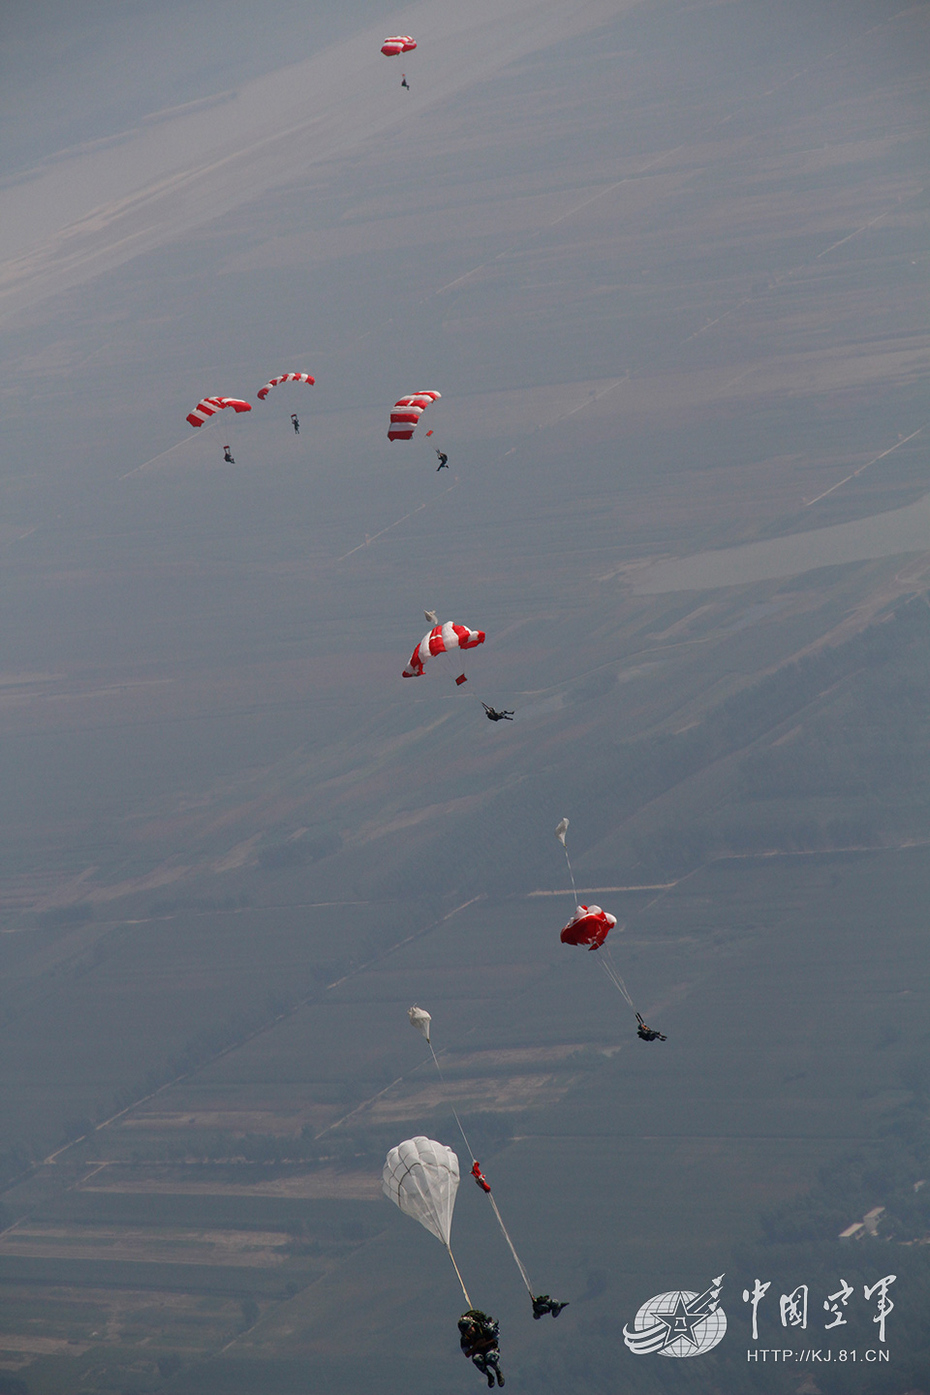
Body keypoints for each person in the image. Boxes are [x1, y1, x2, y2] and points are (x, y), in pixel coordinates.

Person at [458, 1311, 504, 1388]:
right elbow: (467, 1354)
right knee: (477, 1359)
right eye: (467, 1332)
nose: (470, 1332)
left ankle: (498, 1372)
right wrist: (477, 1345)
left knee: (490, 1358)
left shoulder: (484, 1326)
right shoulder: (465, 1338)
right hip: (478, 1351)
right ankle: (489, 1375)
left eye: (470, 1329)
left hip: (490, 1348)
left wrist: (485, 1343)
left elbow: (496, 1337)